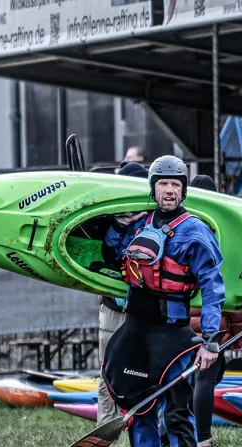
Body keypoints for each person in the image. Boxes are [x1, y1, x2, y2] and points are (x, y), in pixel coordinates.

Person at [100, 155, 226, 447]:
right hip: (135, 331)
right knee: (139, 410)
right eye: (163, 184)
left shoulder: (195, 232)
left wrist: (210, 340)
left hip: (173, 335)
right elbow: (111, 255)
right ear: (153, 188)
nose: (169, 190)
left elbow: (213, 287)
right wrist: (116, 225)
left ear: (183, 191)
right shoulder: (138, 225)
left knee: (176, 412)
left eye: (175, 185)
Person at [181, 173, 242, 447]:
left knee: (187, 381)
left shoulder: (180, 225)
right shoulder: (220, 231)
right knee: (206, 379)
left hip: (181, 322)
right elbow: (230, 288)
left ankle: (175, 436)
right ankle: (204, 445)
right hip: (211, 324)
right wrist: (238, 332)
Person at [96, 159, 151, 425]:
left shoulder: (152, 220)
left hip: (139, 310)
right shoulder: (115, 219)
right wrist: (120, 224)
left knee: (142, 371)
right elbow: (109, 254)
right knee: (108, 371)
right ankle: (106, 426)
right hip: (115, 308)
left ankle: (139, 424)